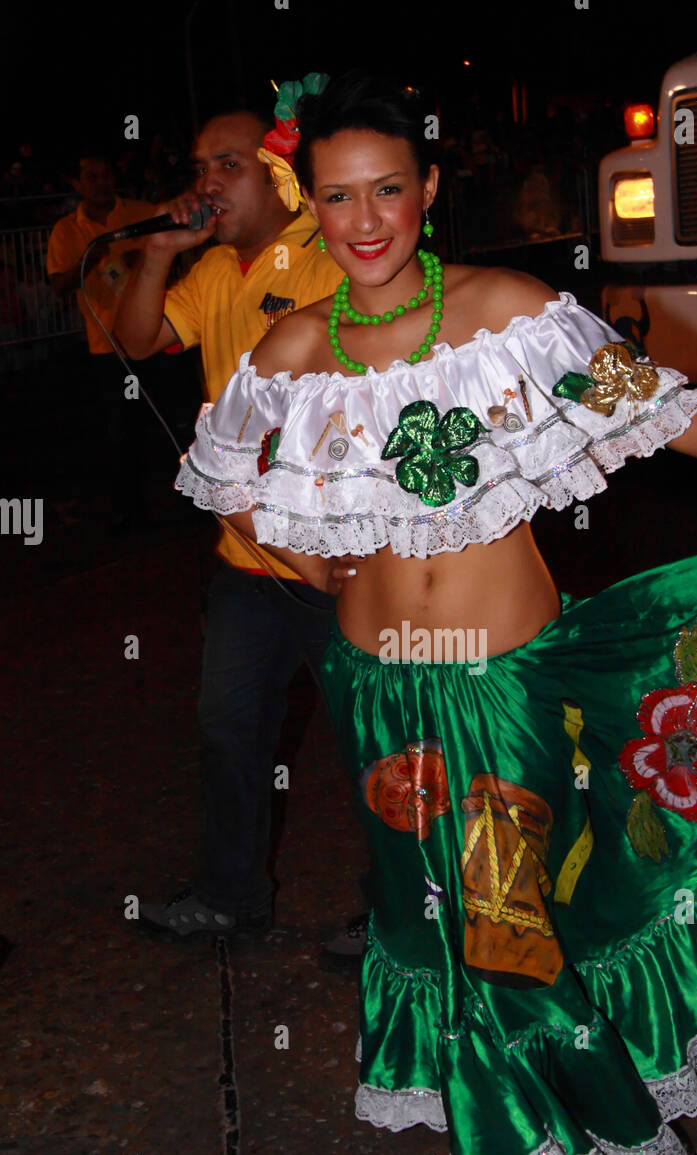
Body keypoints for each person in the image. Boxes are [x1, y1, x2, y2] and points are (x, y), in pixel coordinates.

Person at [175, 72, 697, 1155]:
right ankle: (482, 1104)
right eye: (339, 197)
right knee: (415, 914)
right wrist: (314, 563)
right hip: (375, 687)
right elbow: (224, 482)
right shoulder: (290, 346)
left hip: (504, 681)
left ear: (427, 188)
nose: (363, 222)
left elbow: (667, 408)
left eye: (387, 190)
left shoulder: (505, 313)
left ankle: (517, 1127)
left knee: (509, 914)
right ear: (312, 203)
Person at [114, 103, 365, 952]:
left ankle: (405, 913)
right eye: (201, 166)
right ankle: (230, 897)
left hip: (335, 554)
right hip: (243, 556)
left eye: (229, 165)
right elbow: (138, 337)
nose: (207, 182)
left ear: (279, 176)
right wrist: (156, 254)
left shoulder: (332, 258)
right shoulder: (218, 271)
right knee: (228, 731)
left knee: (378, 737)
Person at [46, 152, 154, 527]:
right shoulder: (67, 230)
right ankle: (129, 510)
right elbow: (59, 284)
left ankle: (192, 500)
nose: (99, 182)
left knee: (174, 417)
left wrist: (151, 257)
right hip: (108, 347)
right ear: (76, 184)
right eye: (90, 176)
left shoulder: (140, 212)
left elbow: (178, 243)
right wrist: (89, 260)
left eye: (104, 174)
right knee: (120, 426)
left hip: (159, 336)